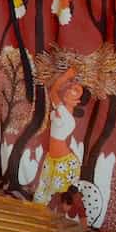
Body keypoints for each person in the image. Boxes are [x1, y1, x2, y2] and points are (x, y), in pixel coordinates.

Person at [34, 66, 85, 204]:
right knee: (42, 194)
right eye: (71, 87)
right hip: (52, 159)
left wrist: (67, 75)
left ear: (77, 101)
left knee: (56, 198)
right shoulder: (61, 110)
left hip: (64, 163)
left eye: (76, 91)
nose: (70, 90)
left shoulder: (66, 116)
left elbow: (53, 91)